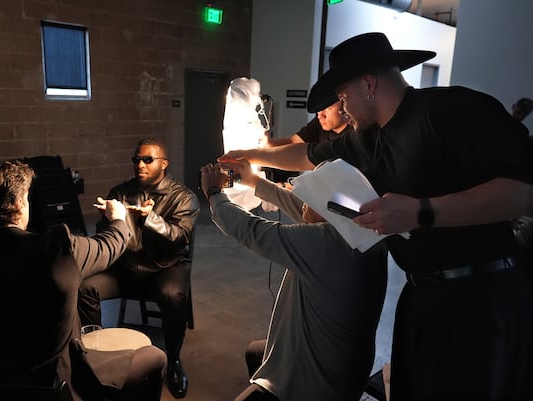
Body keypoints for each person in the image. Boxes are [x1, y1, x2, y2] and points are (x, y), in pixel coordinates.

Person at [220, 32, 533, 401]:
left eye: (342, 98)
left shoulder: (448, 110)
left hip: (482, 302)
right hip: (422, 299)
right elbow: (308, 154)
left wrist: (421, 211)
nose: (343, 108)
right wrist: (249, 155)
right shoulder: (369, 139)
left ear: (368, 85)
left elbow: (523, 191)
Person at [0, 160, 166, 401]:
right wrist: (118, 219)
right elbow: (108, 246)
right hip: (58, 386)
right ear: (19, 203)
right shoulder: (57, 250)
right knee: (156, 357)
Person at [199, 159, 388, 401]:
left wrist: (214, 194)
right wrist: (253, 180)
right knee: (256, 351)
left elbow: (251, 230)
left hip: (309, 387)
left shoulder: (326, 245)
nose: (303, 202)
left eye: (310, 196)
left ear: (328, 206)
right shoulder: (364, 235)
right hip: (344, 376)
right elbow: (307, 211)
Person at [78, 137, 199, 399]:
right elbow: (105, 238)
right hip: (126, 267)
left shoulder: (182, 197)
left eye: (147, 159)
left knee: (172, 295)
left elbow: (180, 238)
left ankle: (174, 360)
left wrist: (150, 218)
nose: (140, 164)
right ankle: (92, 354)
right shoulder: (120, 193)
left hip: (163, 267)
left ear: (164, 163)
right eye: (136, 159)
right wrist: (108, 219)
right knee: (86, 287)